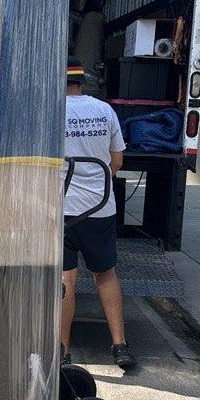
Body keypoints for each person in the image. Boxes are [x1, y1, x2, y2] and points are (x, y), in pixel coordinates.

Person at [60, 56, 136, 370]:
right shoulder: (104, 111)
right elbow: (117, 162)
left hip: (62, 209)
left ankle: (62, 351)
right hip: (100, 207)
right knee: (105, 275)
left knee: (65, 279)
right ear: (82, 81)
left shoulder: (52, 111)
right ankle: (119, 345)